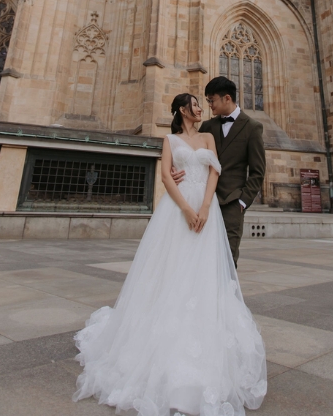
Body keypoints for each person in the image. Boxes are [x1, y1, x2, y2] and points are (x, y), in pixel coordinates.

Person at [73, 93, 267, 415]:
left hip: (207, 211)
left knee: (205, 274)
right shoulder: (169, 139)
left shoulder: (207, 134)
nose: (200, 106)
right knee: (170, 270)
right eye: (194, 102)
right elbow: (165, 175)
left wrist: (204, 207)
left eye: (203, 102)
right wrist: (187, 209)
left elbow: (215, 170)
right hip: (178, 211)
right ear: (182, 109)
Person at [170, 76, 267, 267]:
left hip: (232, 202)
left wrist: (242, 201)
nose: (209, 105)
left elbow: (258, 171)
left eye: (211, 100)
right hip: (203, 200)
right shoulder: (207, 126)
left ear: (227, 99)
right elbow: (191, 155)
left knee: (228, 259)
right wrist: (177, 170)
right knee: (200, 255)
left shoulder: (253, 128)